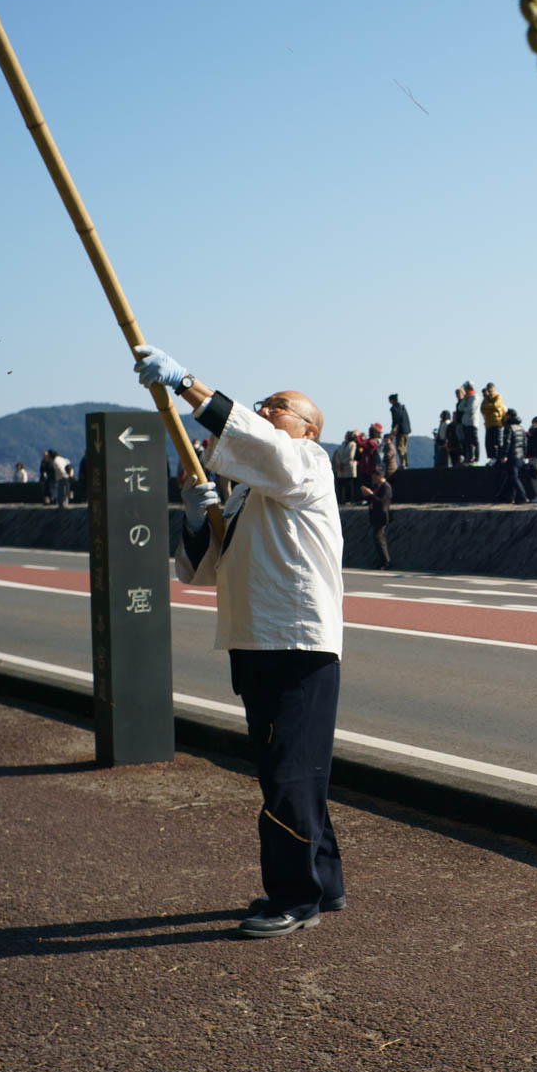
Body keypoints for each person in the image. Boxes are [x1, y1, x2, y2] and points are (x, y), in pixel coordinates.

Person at [134, 344, 346, 939]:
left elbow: (262, 443)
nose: (265, 410)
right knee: (297, 769)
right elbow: (202, 571)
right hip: (255, 639)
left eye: (277, 407)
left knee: (288, 774)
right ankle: (323, 882)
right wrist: (199, 522)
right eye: (265, 404)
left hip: (296, 641)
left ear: (309, 428)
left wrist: (187, 384)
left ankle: (293, 897)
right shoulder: (251, 490)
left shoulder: (307, 462)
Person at [493, 408, 529, 504]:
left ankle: (523, 496)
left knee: (514, 477)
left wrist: (504, 455)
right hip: (520, 456)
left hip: (512, 456)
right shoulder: (521, 428)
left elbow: (507, 442)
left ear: (509, 416)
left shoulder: (509, 427)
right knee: (511, 477)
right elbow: (525, 443)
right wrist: (524, 455)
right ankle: (509, 497)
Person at [365, 470, 395, 568]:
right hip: (375, 515)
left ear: (379, 476)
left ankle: (386, 561)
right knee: (377, 538)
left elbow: (382, 501)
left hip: (382, 515)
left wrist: (371, 494)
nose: (373, 479)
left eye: (374, 477)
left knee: (379, 538)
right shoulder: (377, 487)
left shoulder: (386, 487)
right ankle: (382, 560)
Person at [453, 381, 478, 468]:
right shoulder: (466, 398)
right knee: (466, 442)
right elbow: (460, 408)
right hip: (465, 424)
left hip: (472, 423)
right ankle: (467, 457)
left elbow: (470, 409)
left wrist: (465, 407)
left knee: (473, 441)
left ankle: (474, 458)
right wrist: (464, 399)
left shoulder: (474, 397)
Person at [480, 383, 506, 462]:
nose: (490, 390)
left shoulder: (498, 397)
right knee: (489, 443)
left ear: (494, 388)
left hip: (497, 423)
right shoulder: (486, 399)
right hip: (488, 424)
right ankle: (492, 458)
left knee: (497, 442)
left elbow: (496, 405)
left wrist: (489, 408)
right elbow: (482, 409)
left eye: (491, 388)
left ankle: (499, 458)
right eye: (488, 388)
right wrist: (491, 408)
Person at [333, 430, 359, 503]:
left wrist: (342, 462)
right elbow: (338, 453)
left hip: (348, 467)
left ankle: (349, 500)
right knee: (341, 484)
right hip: (341, 467)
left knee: (349, 484)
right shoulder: (343, 444)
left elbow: (351, 456)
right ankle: (341, 499)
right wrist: (338, 462)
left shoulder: (353, 444)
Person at [387, 394, 412, 468]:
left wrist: (393, 430)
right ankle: (405, 462)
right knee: (404, 447)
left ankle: (403, 464)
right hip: (407, 430)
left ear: (392, 400)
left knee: (400, 447)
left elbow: (395, 420)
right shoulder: (402, 407)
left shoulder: (394, 408)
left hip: (400, 430)